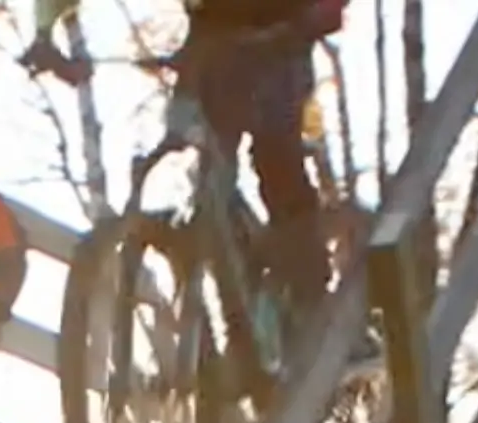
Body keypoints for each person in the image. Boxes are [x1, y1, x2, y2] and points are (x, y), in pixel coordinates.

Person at [23, 0, 349, 303]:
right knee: (188, 152)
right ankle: (218, 285)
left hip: (282, 29)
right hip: (212, 36)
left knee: (277, 161)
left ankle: (314, 298)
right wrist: (44, 38)